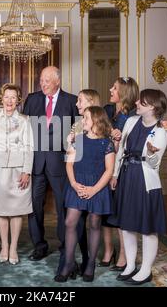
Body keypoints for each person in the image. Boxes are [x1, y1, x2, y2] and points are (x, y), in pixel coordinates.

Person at [23, 66, 81, 276]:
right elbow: (23, 129)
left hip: (60, 163)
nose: (42, 83)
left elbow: (79, 131)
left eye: (47, 80)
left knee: (62, 206)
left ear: (57, 81)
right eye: (41, 80)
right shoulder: (32, 99)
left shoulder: (71, 100)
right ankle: (39, 246)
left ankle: (66, 245)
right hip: (36, 163)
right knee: (34, 206)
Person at [108, 89, 167, 285]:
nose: (137, 103)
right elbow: (122, 151)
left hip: (144, 182)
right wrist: (115, 174)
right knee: (126, 225)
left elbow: (153, 164)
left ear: (152, 106)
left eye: (141, 102)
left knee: (147, 228)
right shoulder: (131, 121)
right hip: (126, 176)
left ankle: (145, 270)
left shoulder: (161, 132)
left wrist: (152, 153)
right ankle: (130, 265)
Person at [55, 106, 115, 283]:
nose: (83, 121)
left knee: (95, 223)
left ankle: (90, 265)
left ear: (96, 120)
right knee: (70, 221)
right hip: (77, 185)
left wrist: (94, 189)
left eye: (86, 118)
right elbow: (69, 164)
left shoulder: (107, 143)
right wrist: (74, 184)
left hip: (98, 186)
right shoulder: (78, 140)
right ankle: (68, 264)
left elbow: (109, 169)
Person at [0, 84, 34, 265]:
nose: (10, 101)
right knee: (1, 211)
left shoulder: (25, 120)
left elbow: (29, 147)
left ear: (18, 100)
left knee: (17, 211)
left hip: (19, 170)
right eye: (7, 97)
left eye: (14, 97)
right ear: (1, 99)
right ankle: (4, 246)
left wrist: (27, 171)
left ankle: (13, 248)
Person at [99, 76, 139, 271]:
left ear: (123, 92)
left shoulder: (134, 114)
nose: (111, 90)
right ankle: (108, 250)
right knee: (105, 212)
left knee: (121, 212)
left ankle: (124, 254)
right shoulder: (107, 110)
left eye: (114, 88)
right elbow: (95, 128)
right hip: (103, 167)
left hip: (121, 170)